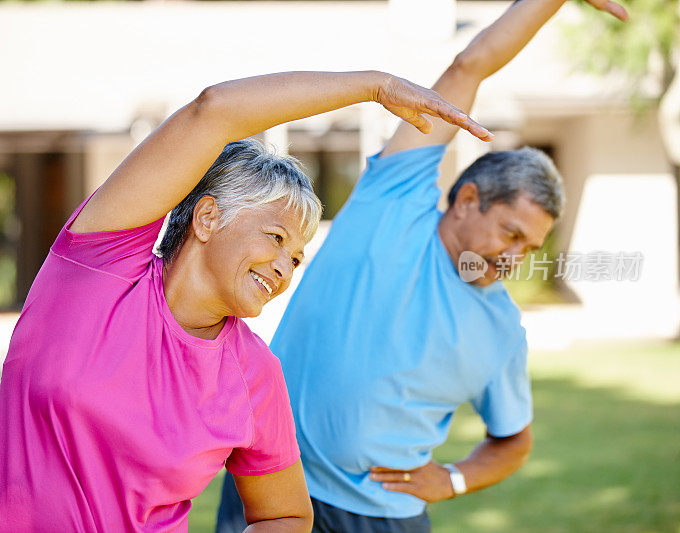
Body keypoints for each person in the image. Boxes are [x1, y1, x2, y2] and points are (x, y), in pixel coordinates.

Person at [0, 71, 491, 532]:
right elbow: (213, 111)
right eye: (276, 238)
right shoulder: (96, 269)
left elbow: (288, 515)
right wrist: (373, 86)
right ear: (208, 216)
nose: (285, 266)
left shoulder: (254, 375)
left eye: (296, 257)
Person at [216, 1, 628, 532]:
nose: (514, 256)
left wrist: (454, 479)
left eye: (529, 247)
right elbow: (468, 67)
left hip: (383, 518)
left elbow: (514, 440)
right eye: (510, 233)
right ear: (467, 199)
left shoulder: (502, 328)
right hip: (270, 484)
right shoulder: (394, 199)